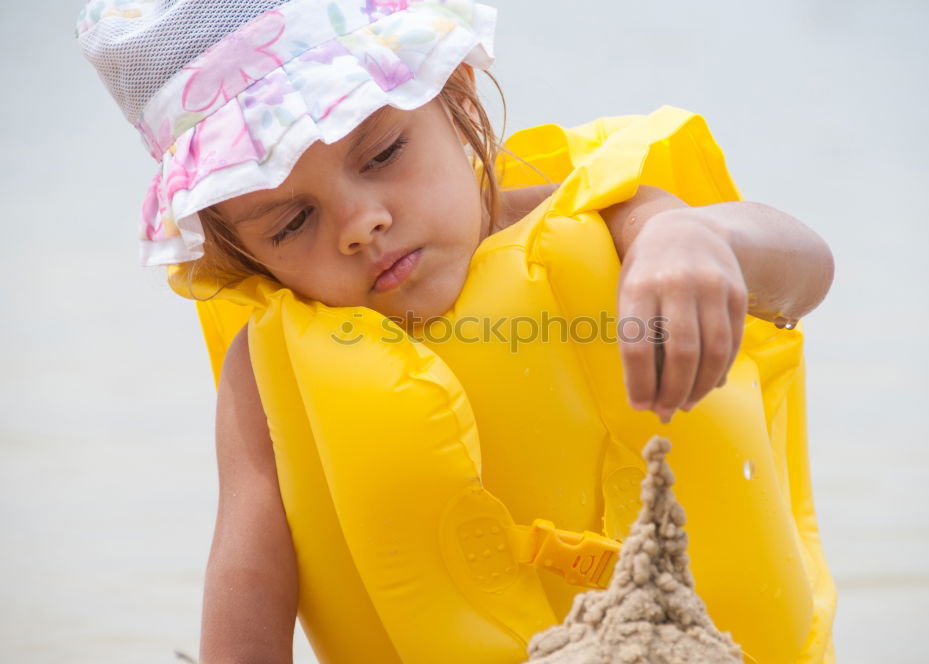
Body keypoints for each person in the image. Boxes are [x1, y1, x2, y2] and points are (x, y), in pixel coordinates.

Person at [78, 1, 835, 662]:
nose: (359, 225)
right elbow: (246, 597)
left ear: (454, 98)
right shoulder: (267, 374)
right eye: (291, 222)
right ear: (238, 252)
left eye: (381, 154)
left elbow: (808, 273)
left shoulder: (621, 223)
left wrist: (697, 240)